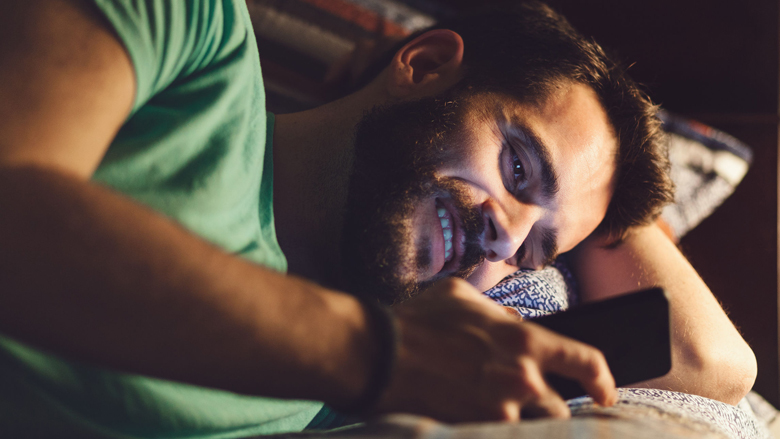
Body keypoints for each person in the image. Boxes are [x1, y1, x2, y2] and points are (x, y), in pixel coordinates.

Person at [0, 0, 755, 438]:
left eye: (534, 249)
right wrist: (374, 353)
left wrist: (611, 179)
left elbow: (713, 365)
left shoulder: (360, 389)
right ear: (424, 66)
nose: (504, 236)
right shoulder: (195, 32)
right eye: (518, 166)